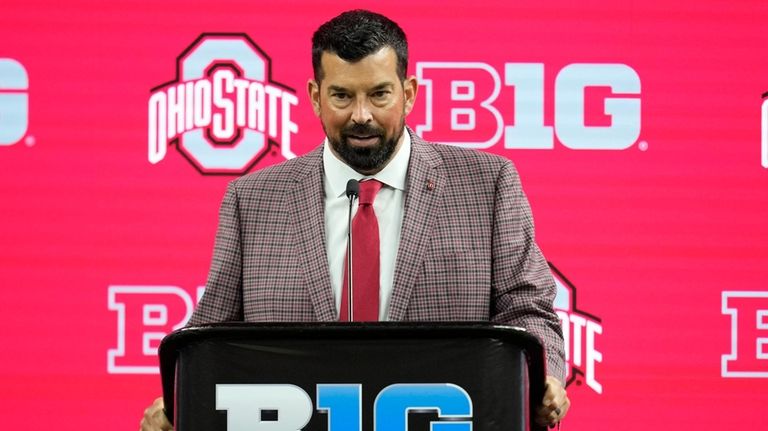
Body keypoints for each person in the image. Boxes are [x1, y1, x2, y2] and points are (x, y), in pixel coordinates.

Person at [141, 9, 570, 430]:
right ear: (315, 96)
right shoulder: (251, 200)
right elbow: (211, 332)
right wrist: (179, 396)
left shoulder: (486, 185)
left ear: (410, 93)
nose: (361, 115)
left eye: (379, 94)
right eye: (342, 96)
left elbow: (526, 309)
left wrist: (542, 376)